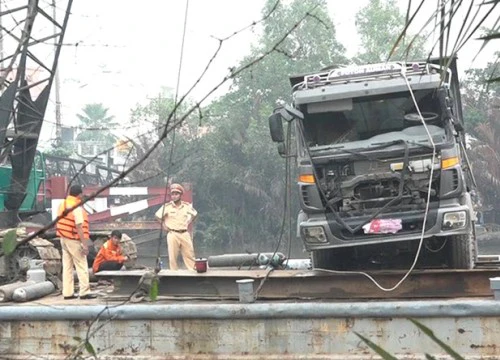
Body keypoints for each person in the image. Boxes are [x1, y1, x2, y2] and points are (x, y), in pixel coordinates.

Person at [56, 184, 96, 300]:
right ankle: (84, 292)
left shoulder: (62, 204)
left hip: (63, 238)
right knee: (81, 265)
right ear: (79, 194)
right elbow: (79, 226)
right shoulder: (76, 207)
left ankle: (67, 293)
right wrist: (84, 244)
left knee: (67, 267)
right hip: (74, 239)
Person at [155, 183, 197, 270]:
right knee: (172, 257)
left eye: (176, 194)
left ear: (180, 195)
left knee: (189, 254)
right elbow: (157, 216)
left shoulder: (186, 206)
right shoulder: (167, 207)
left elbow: (195, 214)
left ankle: (193, 272)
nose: (174, 196)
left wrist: (189, 221)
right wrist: (164, 225)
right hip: (172, 233)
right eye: (172, 194)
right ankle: (174, 273)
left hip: (184, 233)